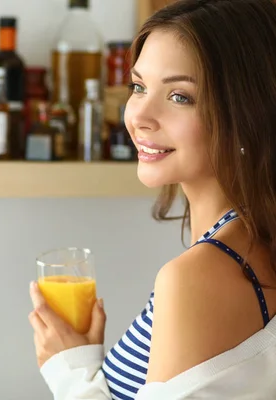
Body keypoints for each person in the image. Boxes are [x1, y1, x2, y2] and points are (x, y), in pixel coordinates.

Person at [28, 0, 276, 399]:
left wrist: (71, 372)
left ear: (248, 113)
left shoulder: (203, 274)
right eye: (139, 86)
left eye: (180, 96)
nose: (139, 114)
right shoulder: (251, 244)